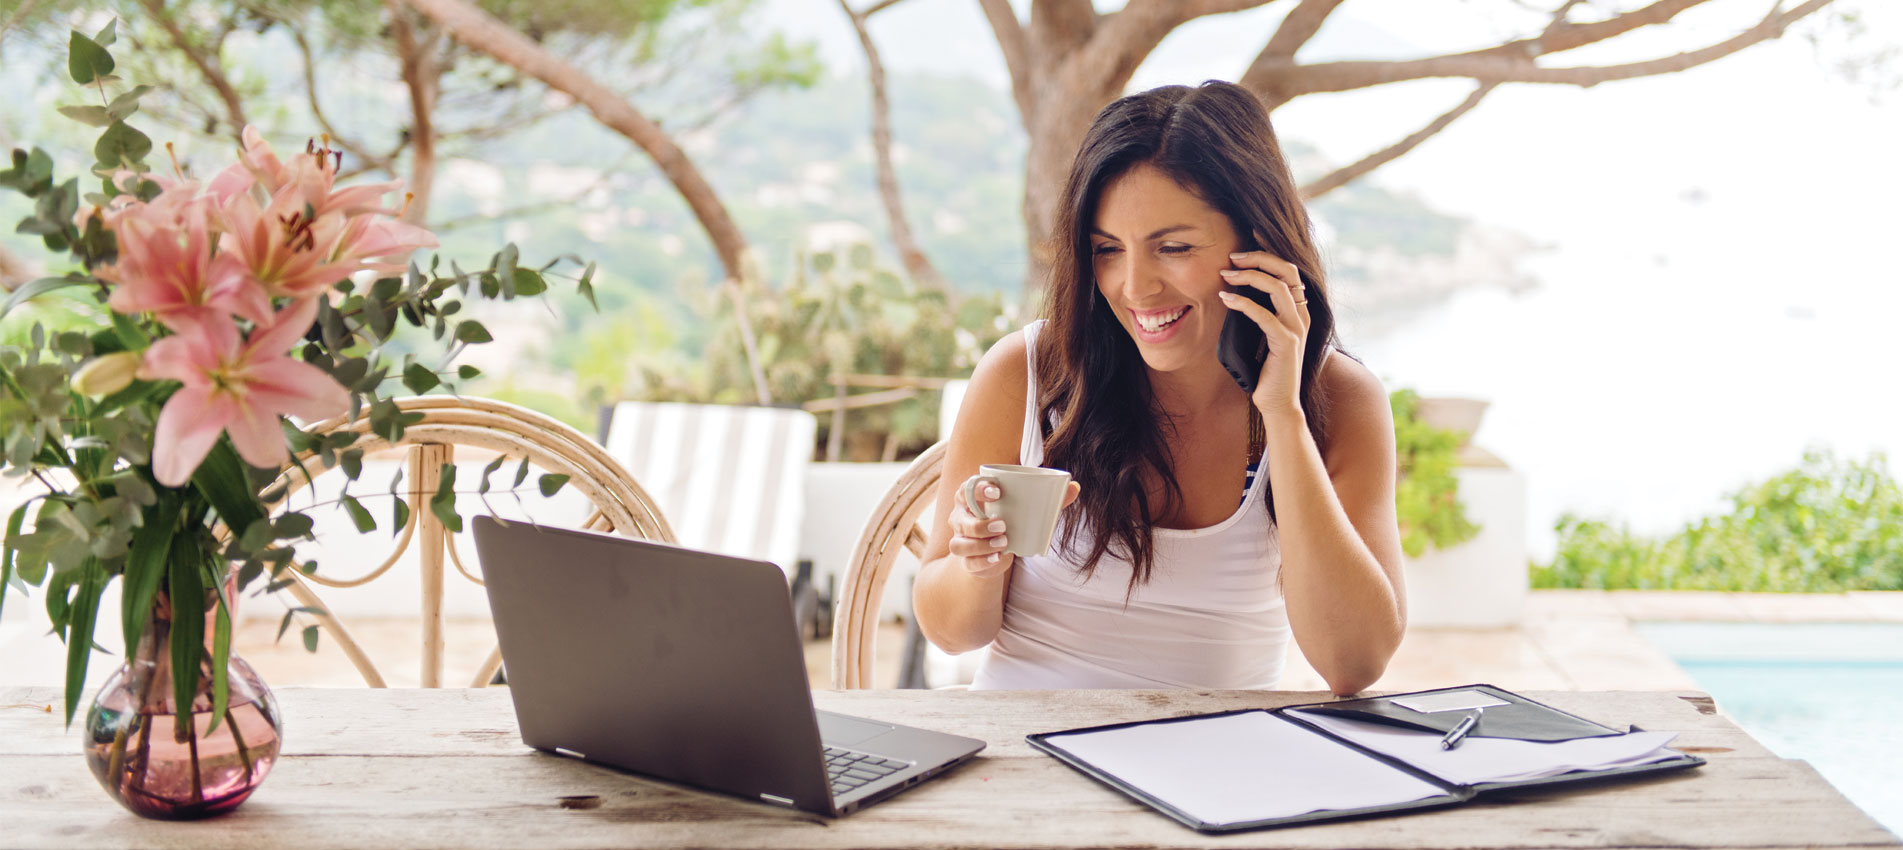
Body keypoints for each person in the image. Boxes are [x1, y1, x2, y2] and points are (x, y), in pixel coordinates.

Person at [912, 81, 1406, 696]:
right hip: (1027, 750)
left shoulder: (1341, 400)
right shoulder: (1029, 373)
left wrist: (1282, 412)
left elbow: (1353, 663)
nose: (1135, 288)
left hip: (1216, 768)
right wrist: (975, 564)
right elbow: (951, 632)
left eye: (1173, 247)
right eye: (1107, 250)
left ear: (1258, 244)